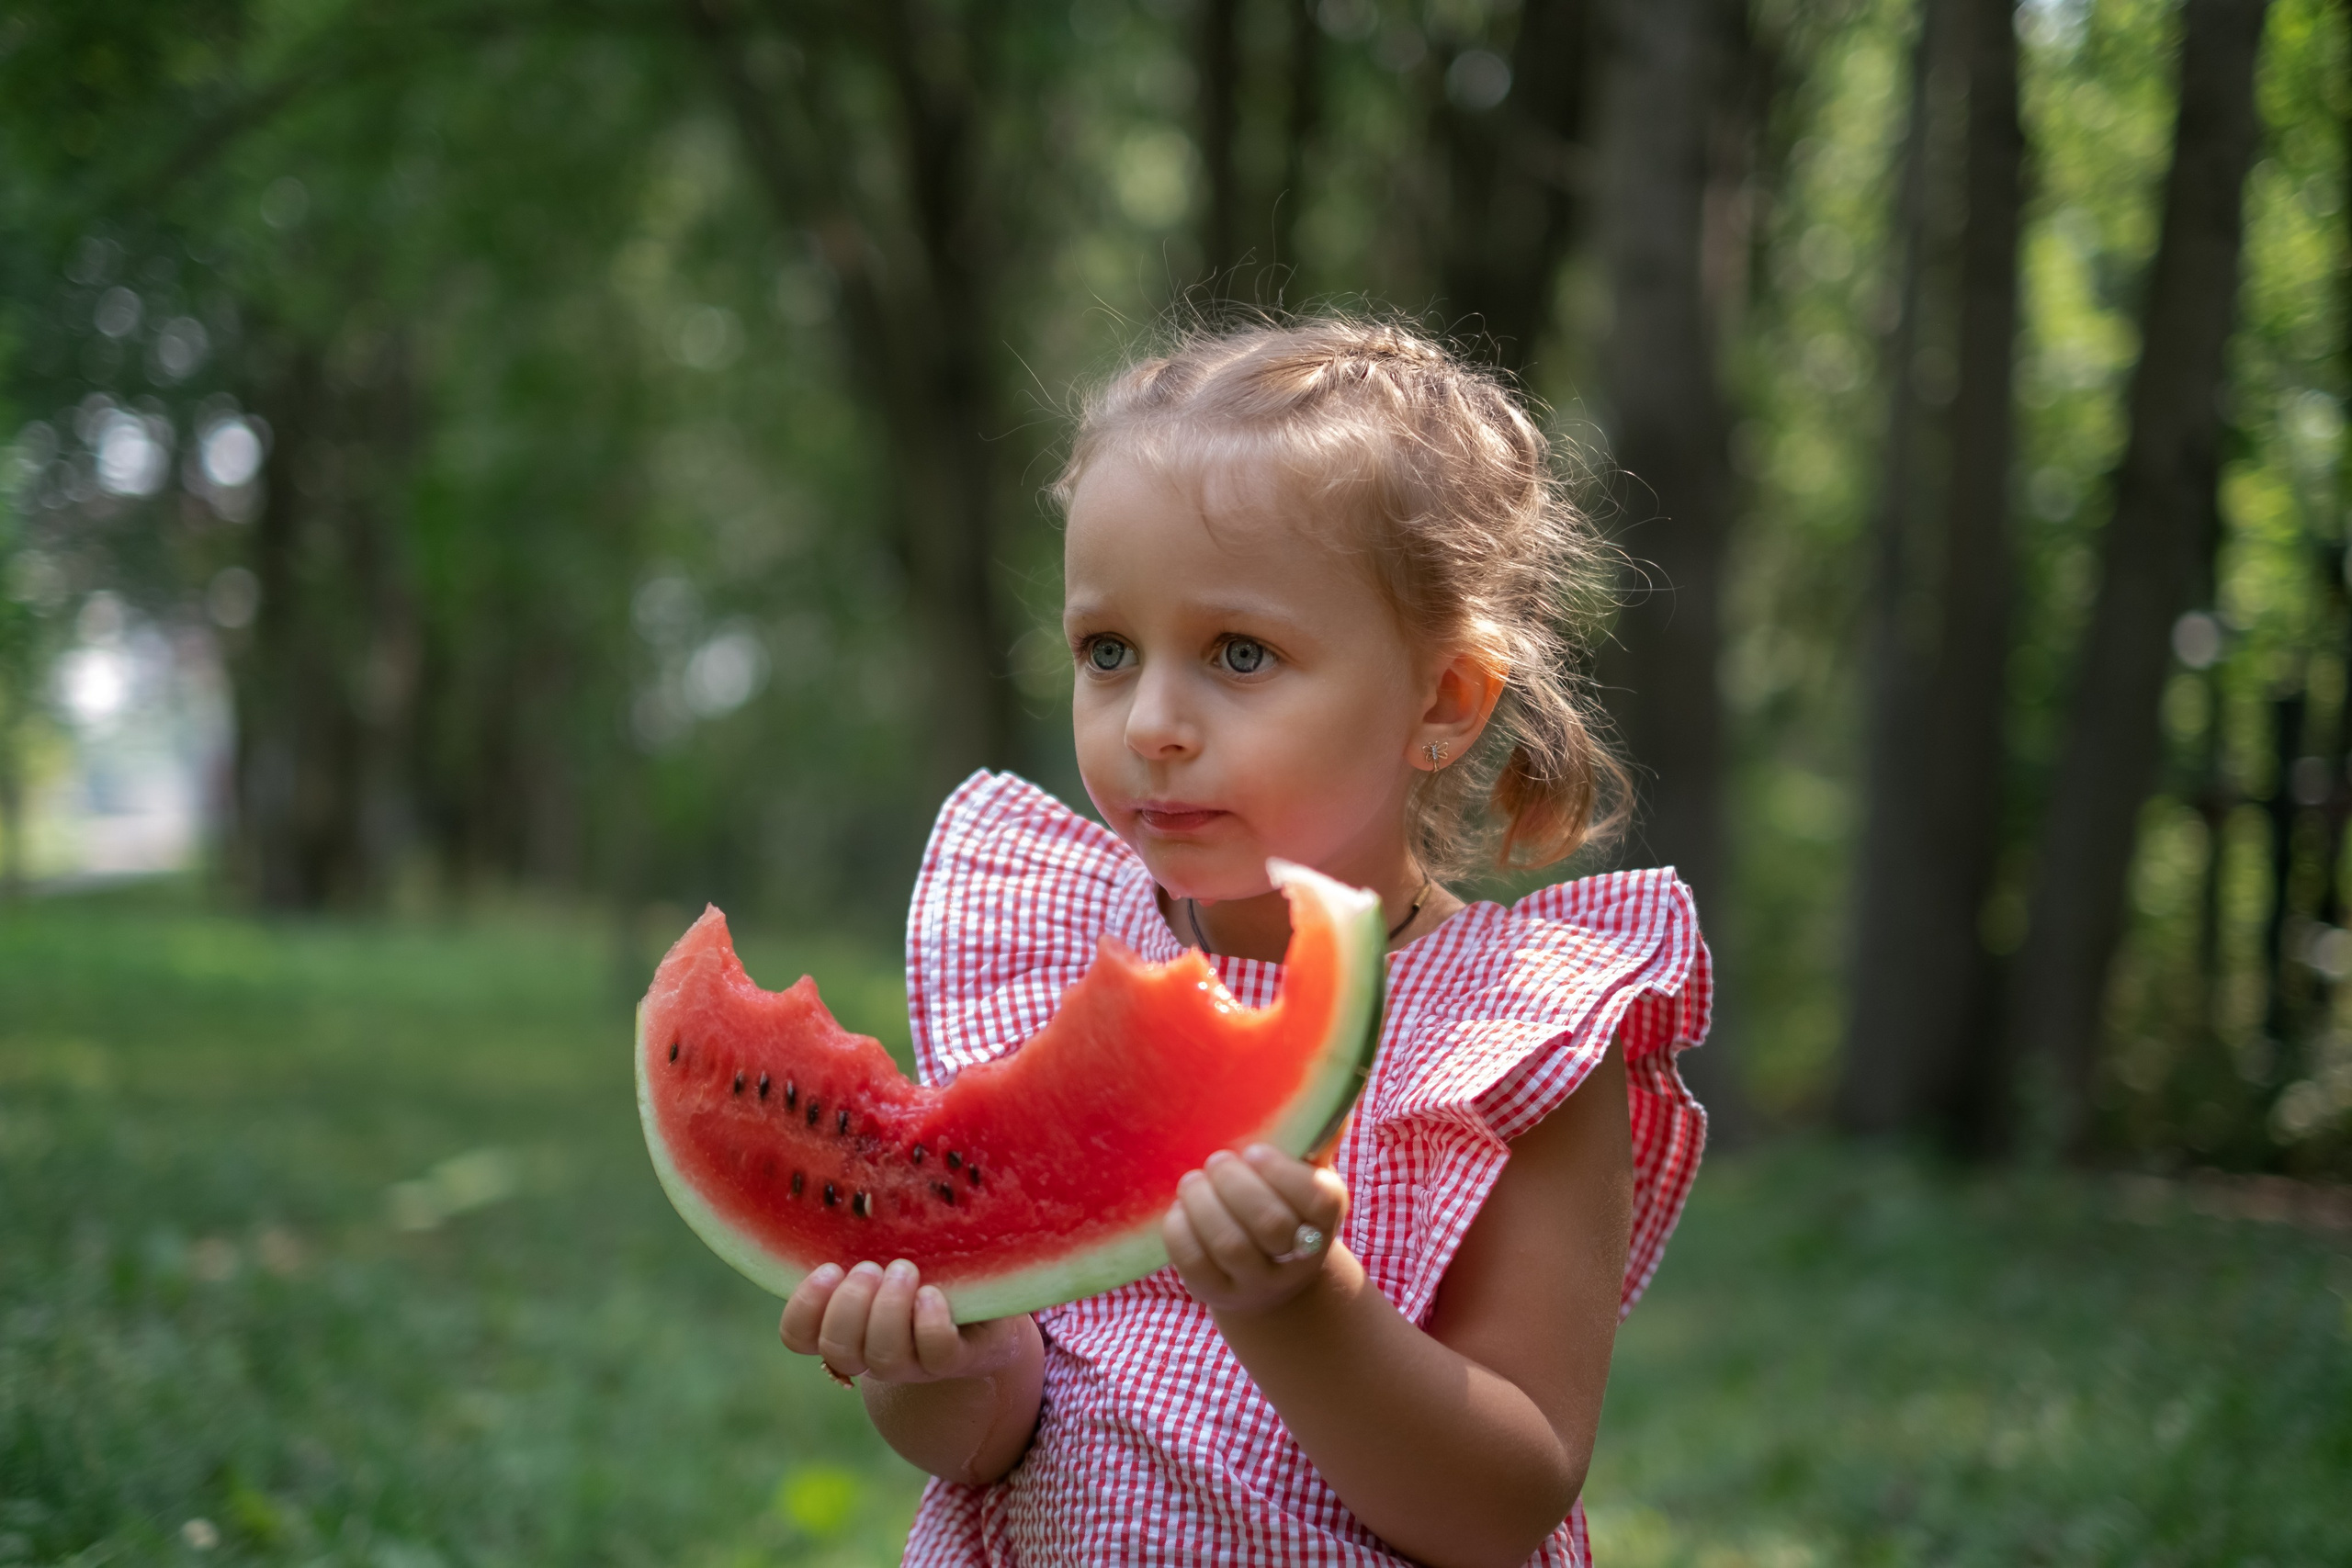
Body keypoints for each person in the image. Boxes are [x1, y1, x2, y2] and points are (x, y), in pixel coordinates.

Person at [777, 317, 1711, 1566]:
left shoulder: (1524, 1037)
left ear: (1440, 702)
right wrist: (932, 1366)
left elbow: (1505, 1503)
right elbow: (993, 1439)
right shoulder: (1059, 965)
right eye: (1108, 650)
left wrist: (1298, 1309)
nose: (1153, 722)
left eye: (1239, 654)